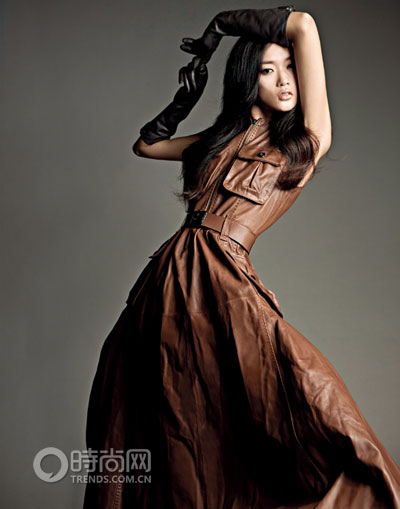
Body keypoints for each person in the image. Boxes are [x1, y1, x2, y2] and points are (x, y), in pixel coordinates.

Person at [83, 5, 400, 508]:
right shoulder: (216, 141)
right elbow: (147, 146)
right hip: (161, 286)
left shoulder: (303, 143)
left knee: (301, 396)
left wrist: (219, 27)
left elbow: (302, 24)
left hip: (223, 280)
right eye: (268, 70)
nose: (286, 80)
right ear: (248, 79)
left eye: (290, 67)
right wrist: (182, 102)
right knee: (154, 413)